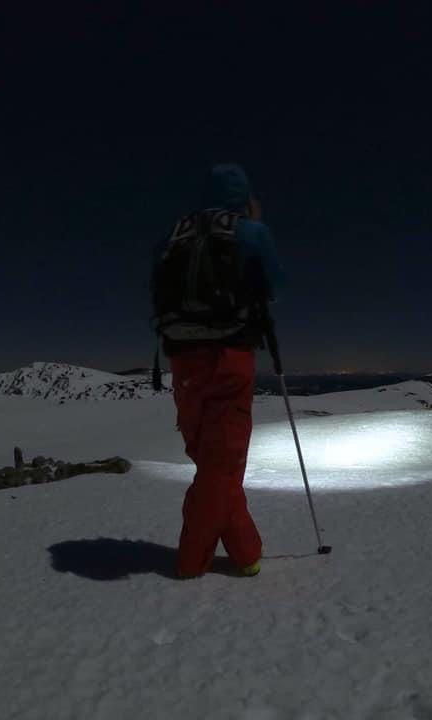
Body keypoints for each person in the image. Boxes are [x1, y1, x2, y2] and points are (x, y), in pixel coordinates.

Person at [151, 164, 285, 579]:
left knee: (212, 463)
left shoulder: (177, 233)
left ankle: (246, 554)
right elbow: (276, 284)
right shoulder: (248, 231)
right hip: (229, 356)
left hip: (182, 361)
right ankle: (192, 562)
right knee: (222, 464)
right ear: (242, 196)